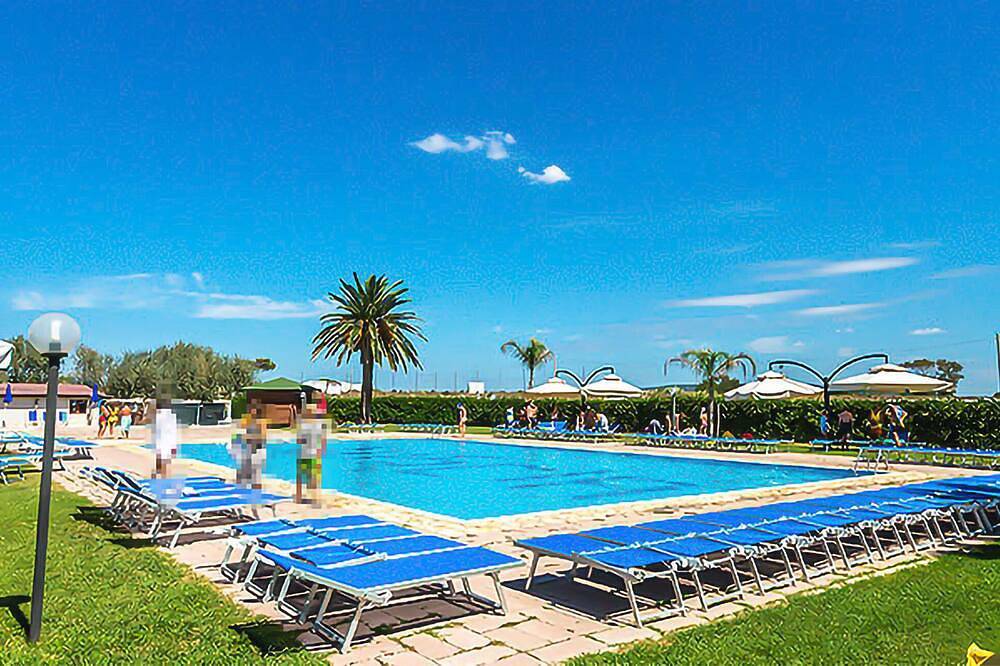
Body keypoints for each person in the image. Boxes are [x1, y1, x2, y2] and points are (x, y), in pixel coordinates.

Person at [295, 400, 328, 504]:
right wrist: (322, 451)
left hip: (303, 454)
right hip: (315, 454)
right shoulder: (319, 425)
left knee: (300, 477)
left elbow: (299, 441)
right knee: (315, 478)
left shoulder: (303, 425)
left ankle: (299, 498)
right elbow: (323, 440)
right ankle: (316, 498)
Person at [240, 400, 268, 489]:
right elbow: (243, 428)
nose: (252, 411)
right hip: (249, 445)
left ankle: (256, 486)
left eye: (254, 410)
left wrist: (251, 436)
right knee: (247, 466)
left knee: (256, 468)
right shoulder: (248, 420)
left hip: (258, 447)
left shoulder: (261, 422)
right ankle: (246, 483)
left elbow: (263, 435)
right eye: (251, 409)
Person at [153, 397, 177, 478]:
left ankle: (161, 475)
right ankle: (163, 476)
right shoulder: (169, 416)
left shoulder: (159, 416)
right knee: (165, 460)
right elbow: (173, 431)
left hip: (163, 440)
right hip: (166, 440)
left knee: (162, 459)